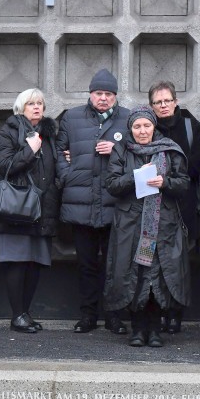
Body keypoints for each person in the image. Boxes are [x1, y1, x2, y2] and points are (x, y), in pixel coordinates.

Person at [105, 106, 190, 348]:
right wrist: (135, 176)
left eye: (147, 126)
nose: (142, 131)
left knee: (157, 277)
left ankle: (154, 330)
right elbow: (111, 184)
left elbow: (184, 184)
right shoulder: (122, 149)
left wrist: (165, 182)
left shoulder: (169, 149)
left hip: (161, 225)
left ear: (154, 126)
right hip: (132, 226)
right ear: (130, 129)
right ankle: (137, 329)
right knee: (136, 275)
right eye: (137, 126)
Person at [56, 69, 130, 335]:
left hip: (116, 205)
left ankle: (114, 316)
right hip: (81, 203)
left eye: (108, 94)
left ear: (115, 96)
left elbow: (141, 151)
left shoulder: (128, 118)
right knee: (86, 264)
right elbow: (58, 150)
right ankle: (87, 315)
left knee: (115, 265)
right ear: (90, 94)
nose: (103, 98)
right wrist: (67, 175)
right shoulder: (72, 117)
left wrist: (117, 149)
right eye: (99, 93)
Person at [0, 88, 61, 333]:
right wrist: (29, 149)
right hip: (17, 208)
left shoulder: (50, 134)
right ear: (21, 107)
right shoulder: (9, 131)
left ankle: (25, 313)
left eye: (40, 103)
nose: (36, 107)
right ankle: (17, 315)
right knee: (17, 262)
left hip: (43, 207)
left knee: (35, 263)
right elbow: (4, 166)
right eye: (31, 103)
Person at [149, 80, 200, 334]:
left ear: (175, 102)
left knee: (178, 262)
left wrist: (176, 177)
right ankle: (158, 312)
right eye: (158, 102)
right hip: (152, 205)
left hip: (182, 205)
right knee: (154, 262)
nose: (163, 105)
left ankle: (176, 314)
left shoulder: (189, 124)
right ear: (151, 106)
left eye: (167, 100)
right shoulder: (146, 127)